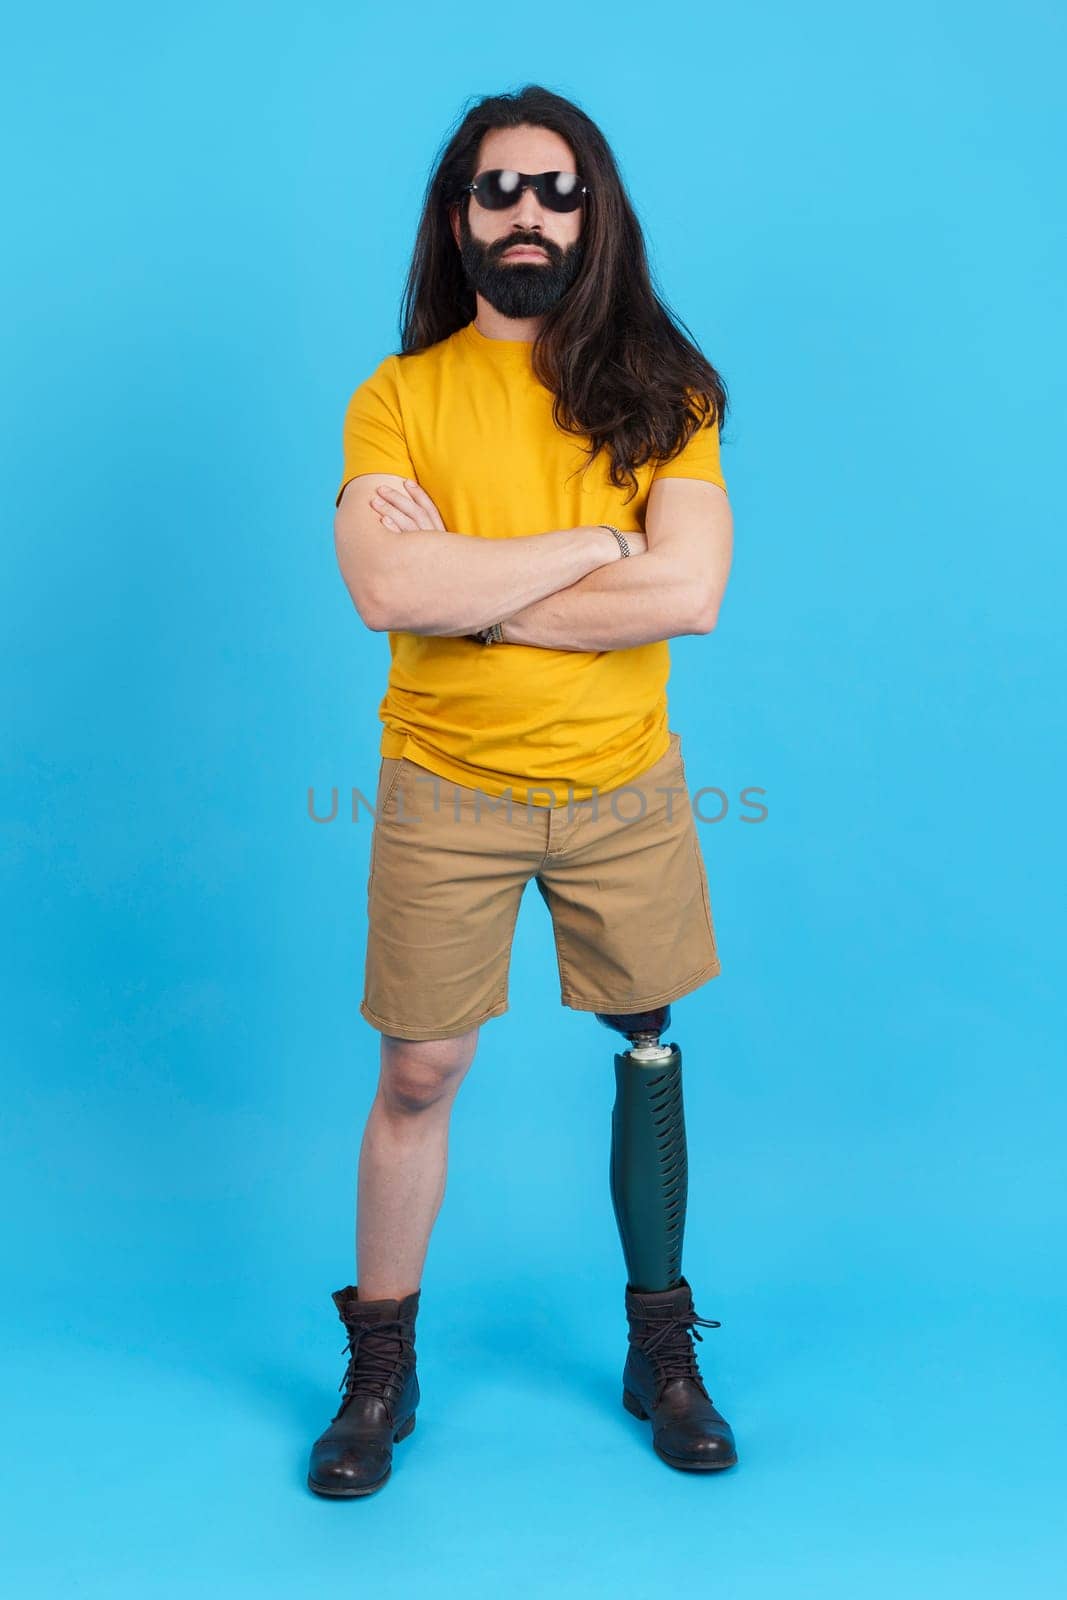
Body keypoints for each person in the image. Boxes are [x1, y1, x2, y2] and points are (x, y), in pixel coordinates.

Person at [308, 84, 736, 1499]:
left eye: (557, 191)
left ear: (591, 212)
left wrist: (475, 591)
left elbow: (695, 593)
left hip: (623, 785)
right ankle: (381, 1363)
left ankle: (661, 1347)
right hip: (446, 785)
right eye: (500, 190)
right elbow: (385, 584)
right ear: (459, 216)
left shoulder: (667, 388)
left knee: (648, 1045)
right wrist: (587, 547)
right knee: (420, 1070)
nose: (529, 214)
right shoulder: (400, 395)